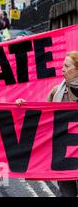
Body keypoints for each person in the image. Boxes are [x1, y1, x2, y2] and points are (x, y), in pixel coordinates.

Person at [16, 51, 78, 197]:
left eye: (67, 66)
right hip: (64, 157)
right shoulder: (57, 92)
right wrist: (24, 107)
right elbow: (42, 117)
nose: (62, 69)